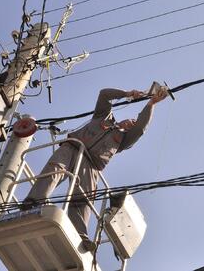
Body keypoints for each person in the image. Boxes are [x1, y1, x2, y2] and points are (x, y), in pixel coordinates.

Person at [22, 85, 168, 251]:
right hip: (72, 148)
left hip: (91, 166)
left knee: (83, 200)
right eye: (132, 119)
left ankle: (79, 236)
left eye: (134, 123)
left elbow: (141, 128)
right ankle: (32, 204)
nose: (132, 123)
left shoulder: (122, 141)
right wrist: (127, 94)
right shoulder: (103, 117)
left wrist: (151, 104)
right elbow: (104, 94)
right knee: (55, 170)